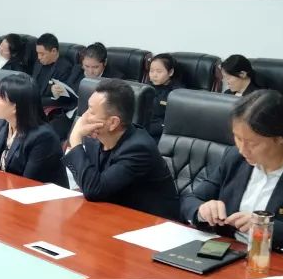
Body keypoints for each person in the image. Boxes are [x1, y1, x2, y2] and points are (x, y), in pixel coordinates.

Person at [181, 89, 283, 267]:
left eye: (253, 143)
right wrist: (202, 211)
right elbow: (190, 200)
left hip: (277, 266)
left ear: (282, 138)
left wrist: (270, 229)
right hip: (227, 256)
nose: (243, 150)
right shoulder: (235, 158)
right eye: (238, 138)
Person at [65, 79, 179, 219]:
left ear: (113, 122)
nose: (84, 116)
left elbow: (94, 190)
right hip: (112, 214)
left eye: (92, 112)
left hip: (153, 223)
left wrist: (75, 139)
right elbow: (89, 183)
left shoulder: (138, 149)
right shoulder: (94, 139)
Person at [0, 72, 66, 186]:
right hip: (9, 191)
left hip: (38, 194)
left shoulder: (43, 138)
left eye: (0, 97)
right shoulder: (6, 125)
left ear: (15, 107)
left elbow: (28, 182)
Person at [32, 33, 76, 109]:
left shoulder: (64, 68)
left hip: (47, 106)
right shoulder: (39, 63)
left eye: (42, 54)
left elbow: (61, 98)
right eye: (38, 53)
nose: (39, 57)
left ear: (54, 51)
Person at [146, 53, 180, 141]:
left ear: (170, 72)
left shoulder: (177, 94)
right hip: (142, 127)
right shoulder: (145, 88)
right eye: (151, 71)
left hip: (161, 132)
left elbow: (173, 121)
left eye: (159, 71)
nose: (154, 75)